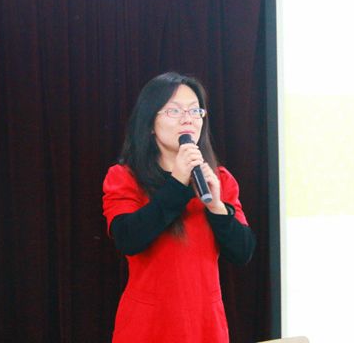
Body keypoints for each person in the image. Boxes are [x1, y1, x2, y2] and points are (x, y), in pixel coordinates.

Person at [102, 72, 256, 342]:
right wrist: (177, 183)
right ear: (150, 123)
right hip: (148, 327)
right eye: (174, 111)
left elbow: (243, 252)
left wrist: (216, 206)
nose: (188, 119)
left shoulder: (219, 179)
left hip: (205, 326)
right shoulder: (124, 177)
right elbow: (128, 239)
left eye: (195, 111)